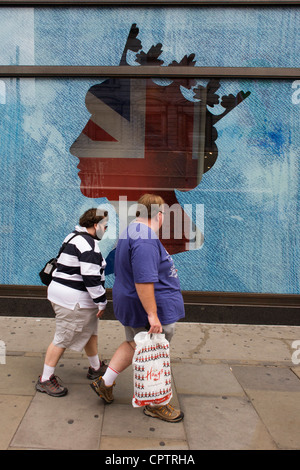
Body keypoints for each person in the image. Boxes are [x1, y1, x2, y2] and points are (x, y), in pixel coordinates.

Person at [90, 194, 185, 422]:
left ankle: (106, 382)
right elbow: (144, 280)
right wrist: (153, 315)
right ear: (159, 215)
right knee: (153, 353)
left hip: (132, 301)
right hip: (148, 307)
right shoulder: (144, 237)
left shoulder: (132, 229)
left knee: (135, 343)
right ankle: (156, 404)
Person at [36, 208, 109, 397]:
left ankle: (95, 367)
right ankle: (45, 379)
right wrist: (101, 302)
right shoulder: (89, 246)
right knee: (63, 337)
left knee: (90, 331)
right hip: (72, 301)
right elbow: (91, 278)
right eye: (105, 226)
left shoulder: (72, 236)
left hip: (63, 294)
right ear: (96, 225)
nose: (106, 229)